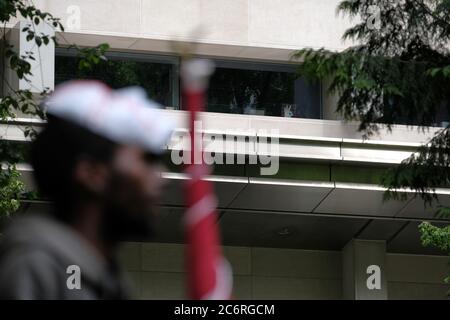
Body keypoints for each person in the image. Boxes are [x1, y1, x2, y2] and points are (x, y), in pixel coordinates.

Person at [0, 80, 174, 299]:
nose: (162, 178)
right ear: (92, 174)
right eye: (147, 160)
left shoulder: (105, 279)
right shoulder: (35, 267)